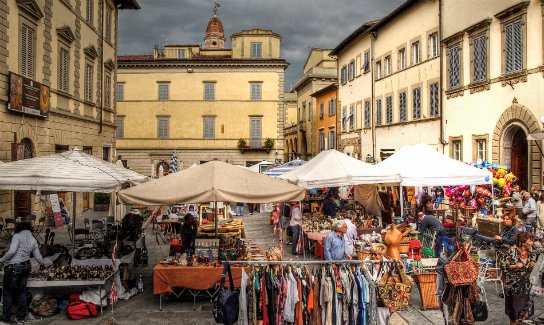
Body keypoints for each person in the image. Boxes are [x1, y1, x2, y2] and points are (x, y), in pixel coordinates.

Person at [0, 220, 47, 323]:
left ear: (19, 228)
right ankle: (20, 317)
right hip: (26, 266)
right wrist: (44, 264)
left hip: (14, 266)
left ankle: (5, 318)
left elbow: (12, 251)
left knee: (8, 293)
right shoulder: (33, 239)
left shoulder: (17, 236)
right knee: (22, 291)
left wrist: (2, 259)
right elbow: (38, 258)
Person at [498, 231, 538, 325]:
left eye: (532, 240)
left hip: (527, 287)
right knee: (514, 316)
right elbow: (502, 266)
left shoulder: (532, 253)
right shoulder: (512, 251)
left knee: (526, 315)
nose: (532, 242)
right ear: (523, 242)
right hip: (513, 288)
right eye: (530, 240)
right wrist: (515, 266)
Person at [363, 243, 392, 325]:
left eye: (375, 254)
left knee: (382, 319)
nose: (373, 256)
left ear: (381, 254)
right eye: (371, 254)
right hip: (369, 296)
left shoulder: (387, 264)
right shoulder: (366, 264)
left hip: (383, 298)